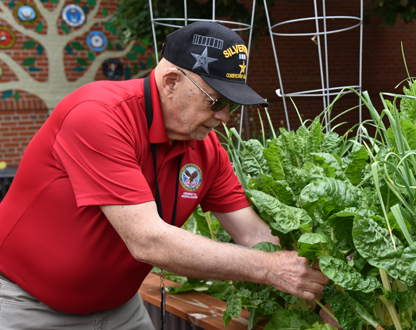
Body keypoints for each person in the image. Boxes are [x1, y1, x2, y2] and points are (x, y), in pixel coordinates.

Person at [0, 21, 336, 329]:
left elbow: (254, 236)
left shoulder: (206, 149)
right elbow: (148, 240)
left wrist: (323, 277)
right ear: (172, 81)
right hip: (28, 307)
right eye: (216, 100)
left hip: (119, 311)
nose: (224, 117)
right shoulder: (98, 115)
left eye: (233, 106)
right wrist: (269, 269)